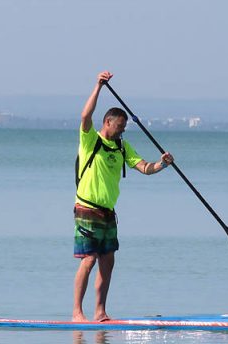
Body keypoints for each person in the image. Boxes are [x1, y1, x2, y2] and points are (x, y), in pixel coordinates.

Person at [73, 71, 174, 322]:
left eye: (124, 128)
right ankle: (77, 312)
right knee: (89, 260)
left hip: (108, 213)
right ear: (107, 123)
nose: (121, 132)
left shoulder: (122, 146)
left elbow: (144, 168)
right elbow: (85, 116)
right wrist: (98, 86)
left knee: (108, 262)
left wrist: (162, 165)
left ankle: (100, 312)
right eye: (119, 127)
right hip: (86, 208)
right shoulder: (90, 141)